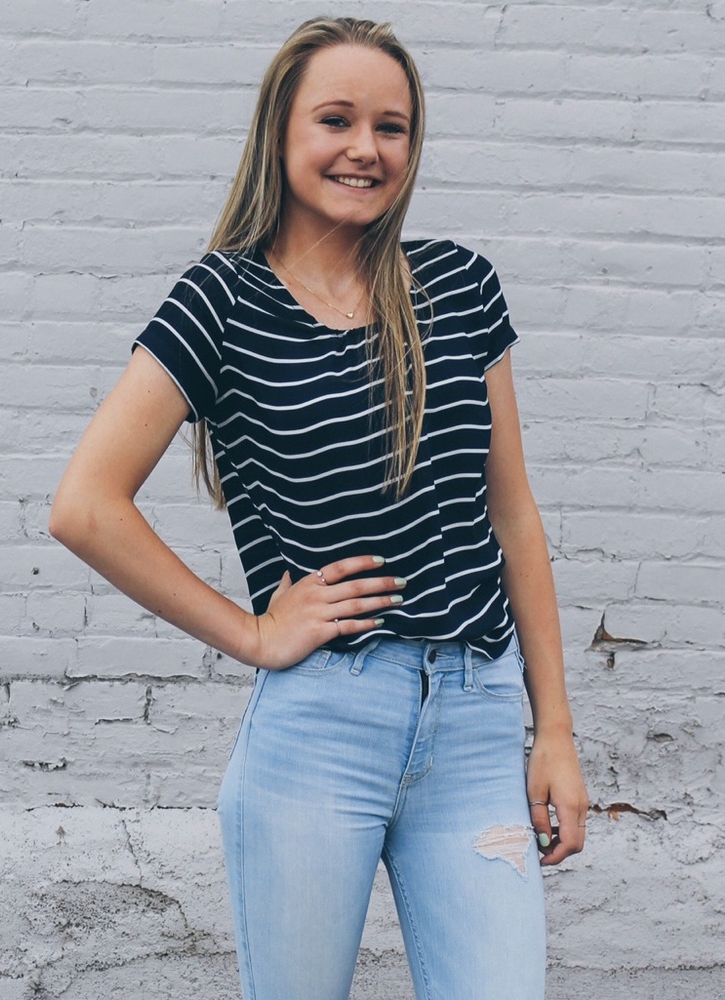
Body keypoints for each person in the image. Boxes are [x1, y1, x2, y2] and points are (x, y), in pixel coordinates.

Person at [49, 15, 588, 1000]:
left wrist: (553, 729)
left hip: (473, 722)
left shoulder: (460, 287)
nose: (364, 148)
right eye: (335, 119)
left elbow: (512, 518)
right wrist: (251, 633)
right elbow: (85, 505)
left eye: (391, 127)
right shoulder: (220, 300)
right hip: (323, 724)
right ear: (280, 133)